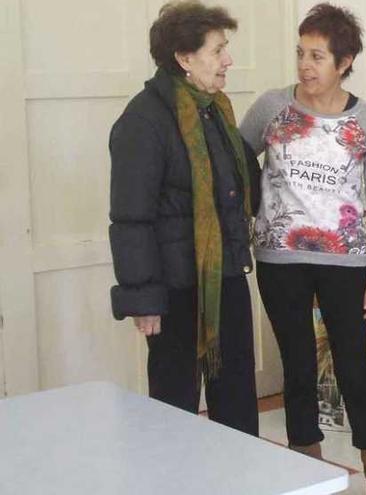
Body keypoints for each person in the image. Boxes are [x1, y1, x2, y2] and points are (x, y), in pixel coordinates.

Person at [239, 4, 366, 493]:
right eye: (301, 54)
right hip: (279, 260)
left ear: (345, 61)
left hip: (346, 264)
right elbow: (235, 166)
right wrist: (251, 212)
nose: (306, 66)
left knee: (353, 370)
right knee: (299, 369)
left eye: (318, 56)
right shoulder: (271, 107)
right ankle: (308, 474)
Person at [109, 0, 260, 435]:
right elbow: (131, 217)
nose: (228, 60)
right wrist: (143, 298)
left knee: (236, 402)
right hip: (175, 293)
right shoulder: (144, 120)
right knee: (173, 415)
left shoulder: (215, 111)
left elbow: (237, 189)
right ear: (184, 58)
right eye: (218, 50)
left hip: (225, 278)